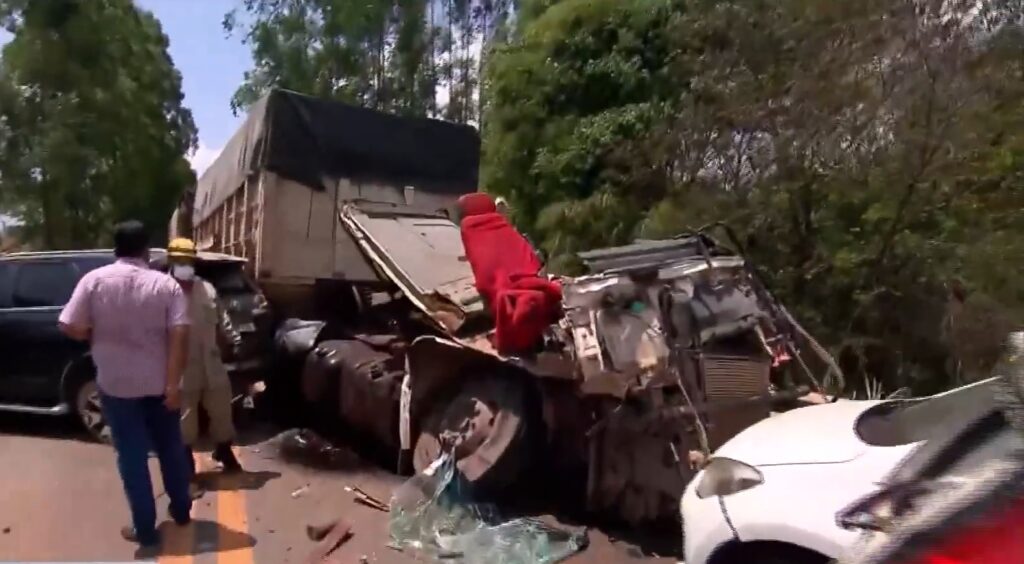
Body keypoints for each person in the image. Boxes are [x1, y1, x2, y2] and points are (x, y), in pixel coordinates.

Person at [58, 221, 192, 547]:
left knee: (132, 457)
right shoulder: (166, 286)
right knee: (170, 448)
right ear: (147, 250)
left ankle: (145, 530)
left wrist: (93, 333)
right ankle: (182, 509)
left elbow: (67, 323)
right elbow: (180, 335)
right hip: (160, 384)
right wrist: (173, 385)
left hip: (116, 385)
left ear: (115, 250)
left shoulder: (94, 281)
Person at [164, 238, 243, 475]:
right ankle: (185, 462)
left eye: (188, 260)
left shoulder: (206, 288)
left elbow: (222, 318)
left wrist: (234, 340)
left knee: (221, 409)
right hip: (181, 365)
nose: (184, 264)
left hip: (211, 360)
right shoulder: (162, 291)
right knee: (185, 418)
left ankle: (223, 449)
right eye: (180, 260)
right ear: (171, 261)